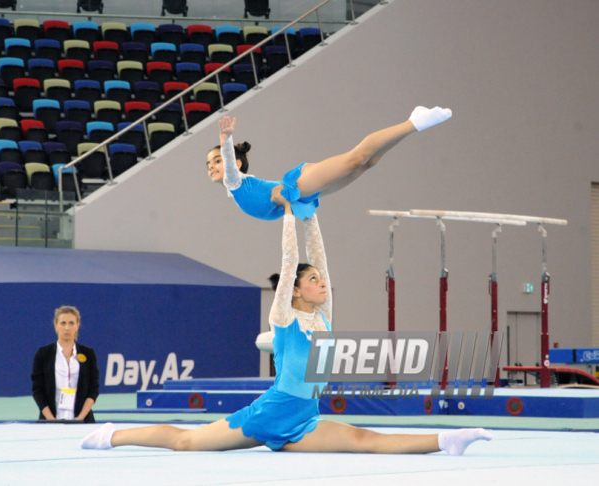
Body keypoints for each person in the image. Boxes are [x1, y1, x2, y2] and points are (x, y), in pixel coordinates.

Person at [80, 191, 492, 455]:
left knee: (363, 440)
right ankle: (111, 435)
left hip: (305, 418)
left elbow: (317, 258)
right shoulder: (284, 316)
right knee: (186, 441)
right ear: (295, 291)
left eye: (321, 279)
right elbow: (291, 261)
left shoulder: (324, 316)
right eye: (313, 280)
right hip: (269, 413)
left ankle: (446, 440)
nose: (322, 282)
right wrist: (290, 215)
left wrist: (312, 216)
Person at [206, 106, 451, 220]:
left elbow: (228, 161)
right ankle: (411, 126)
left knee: (355, 157)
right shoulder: (236, 192)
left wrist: (225, 140)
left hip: (298, 185)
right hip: (301, 196)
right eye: (208, 164)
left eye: (216, 160)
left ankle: (414, 122)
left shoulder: (234, 182)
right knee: (366, 164)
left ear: (236, 164)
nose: (212, 166)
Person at [32, 306, 100, 423]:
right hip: (50, 422)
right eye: (63, 323)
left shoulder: (88, 353)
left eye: (71, 323)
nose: (67, 328)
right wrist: (51, 420)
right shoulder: (43, 354)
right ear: (56, 325)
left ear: (78, 325)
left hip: (83, 422)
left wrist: (80, 418)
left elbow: (93, 389)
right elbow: (38, 390)